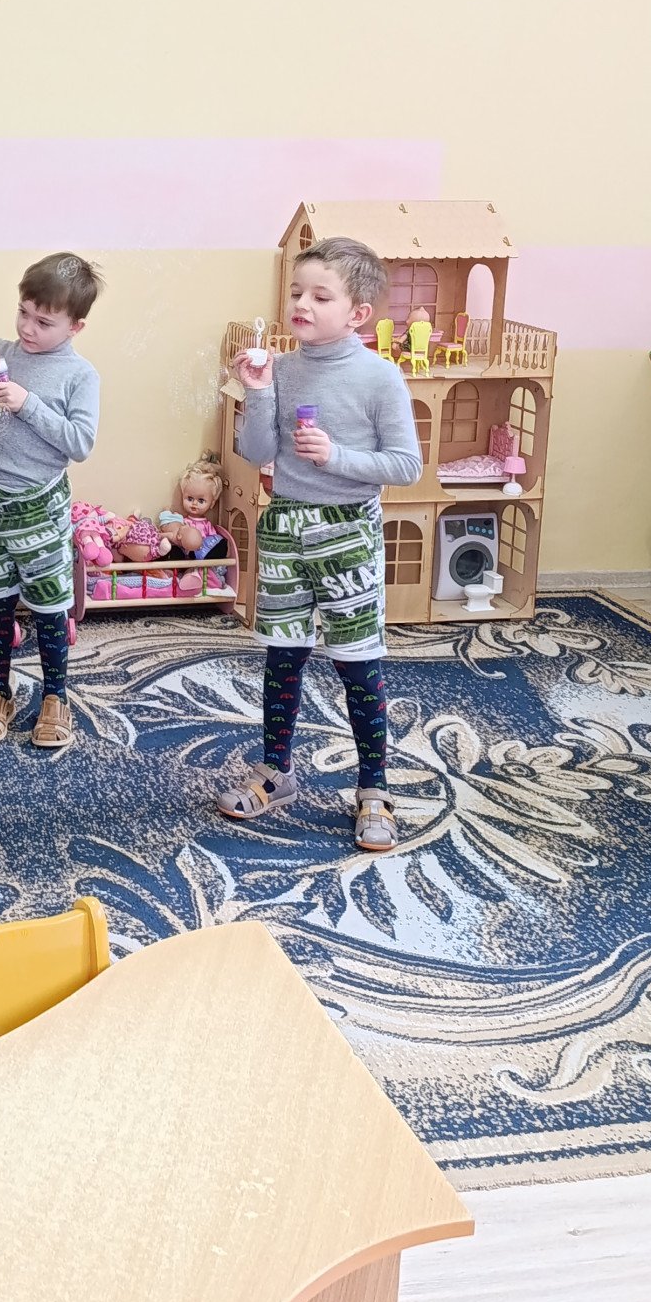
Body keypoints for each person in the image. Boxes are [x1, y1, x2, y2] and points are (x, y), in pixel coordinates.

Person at [218, 236, 422, 852]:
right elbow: (255, 451)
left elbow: (406, 465)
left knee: (358, 662)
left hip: (348, 532)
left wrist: (337, 456)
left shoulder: (381, 377)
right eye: (297, 292)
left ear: (358, 313)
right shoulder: (281, 368)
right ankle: (276, 772)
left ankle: (374, 788)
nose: (301, 304)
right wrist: (258, 391)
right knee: (283, 657)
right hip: (286, 527)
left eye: (320, 296)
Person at [0, 253, 103, 753]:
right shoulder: (1, 353)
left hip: (40, 507)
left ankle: (56, 697)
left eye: (44, 322)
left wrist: (28, 404)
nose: (28, 328)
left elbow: (80, 444)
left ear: (75, 327)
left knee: (50, 607)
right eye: (23, 313)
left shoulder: (80, 375)